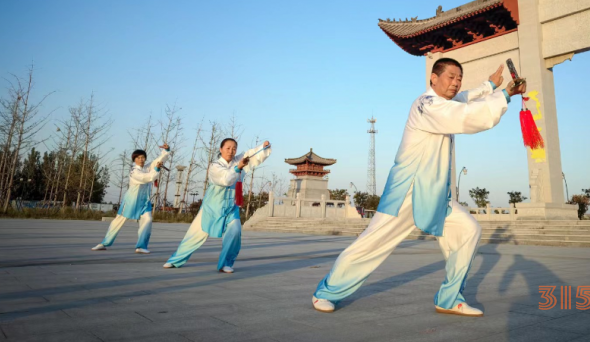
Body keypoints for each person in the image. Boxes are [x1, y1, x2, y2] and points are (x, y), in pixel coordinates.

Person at [312, 58, 526, 317]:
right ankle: (325, 292)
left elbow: (464, 99)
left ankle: (449, 298)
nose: (456, 82)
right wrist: (502, 93)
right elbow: (466, 114)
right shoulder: (426, 105)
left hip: (435, 194)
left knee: (469, 230)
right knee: (372, 244)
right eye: (450, 76)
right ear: (433, 79)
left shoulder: (445, 103)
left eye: (459, 77)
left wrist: (492, 86)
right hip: (408, 191)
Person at [163, 138, 271, 273]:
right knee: (194, 236)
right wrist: (238, 168)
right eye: (228, 148)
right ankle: (175, 260)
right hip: (212, 207)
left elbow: (251, 155)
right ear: (220, 149)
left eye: (234, 148)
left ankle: (226, 263)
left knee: (235, 232)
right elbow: (225, 179)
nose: (231, 151)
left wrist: (263, 147)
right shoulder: (215, 166)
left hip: (231, 207)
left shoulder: (238, 161)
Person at [92, 144, 171, 253]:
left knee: (147, 220)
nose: (141, 159)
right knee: (119, 221)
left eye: (143, 157)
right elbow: (148, 178)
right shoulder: (134, 171)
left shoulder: (147, 168)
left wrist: (166, 150)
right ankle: (104, 243)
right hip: (132, 200)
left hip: (145, 201)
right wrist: (156, 168)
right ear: (134, 159)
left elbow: (158, 160)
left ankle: (141, 246)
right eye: (138, 158)